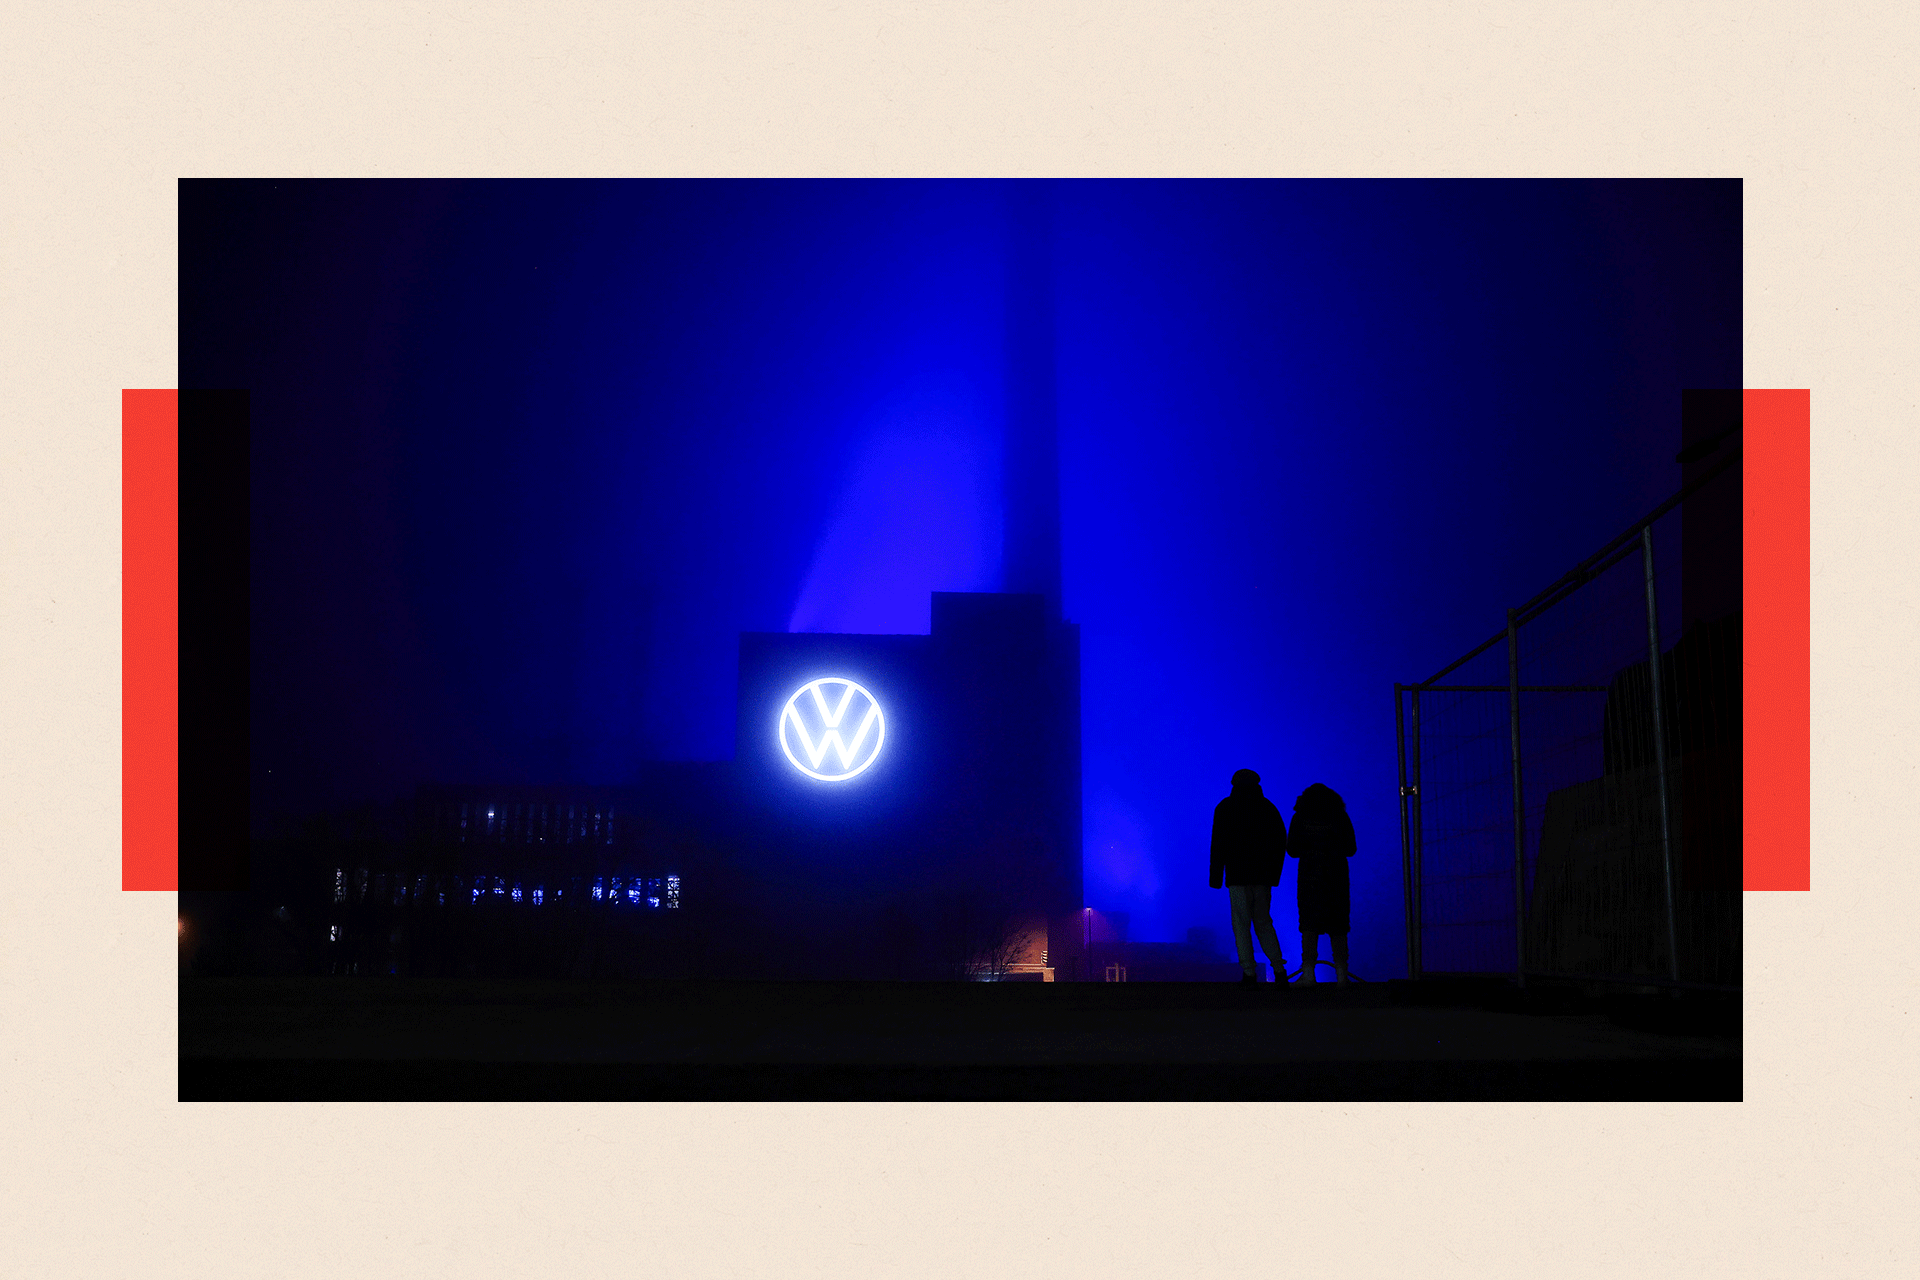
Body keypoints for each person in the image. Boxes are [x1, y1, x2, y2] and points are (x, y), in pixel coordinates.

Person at [1208, 768, 1289, 984]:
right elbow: (1281, 841)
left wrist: (1216, 878)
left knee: (1241, 924)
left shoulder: (1225, 808)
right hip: (1262, 876)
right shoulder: (1268, 808)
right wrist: (1273, 875)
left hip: (1236, 875)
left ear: (1234, 784)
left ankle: (1249, 972)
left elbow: (1218, 845)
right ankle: (1279, 970)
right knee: (1263, 921)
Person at [1288, 782, 1357, 983]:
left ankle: (1308, 972)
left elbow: (1292, 850)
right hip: (1336, 877)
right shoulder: (1340, 816)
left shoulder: (1300, 817)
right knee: (1339, 924)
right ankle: (1342, 974)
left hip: (1310, 876)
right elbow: (1351, 849)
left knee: (1309, 924)